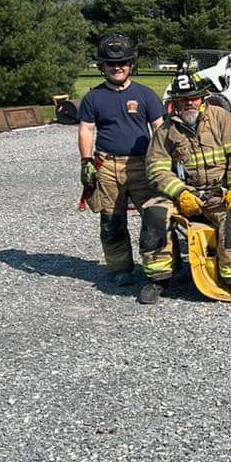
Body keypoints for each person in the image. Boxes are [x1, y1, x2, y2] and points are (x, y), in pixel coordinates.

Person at [141, 73, 231, 303]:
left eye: (194, 97)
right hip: (184, 194)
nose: (190, 103)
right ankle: (159, 278)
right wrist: (180, 193)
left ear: (203, 98)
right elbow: (156, 169)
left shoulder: (222, 119)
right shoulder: (165, 130)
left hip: (219, 193)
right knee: (155, 213)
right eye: (184, 99)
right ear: (176, 102)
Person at [77, 33, 164, 286]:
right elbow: (86, 130)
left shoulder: (146, 95)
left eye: (123, 62)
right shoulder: (93, 98)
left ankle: (158, 269)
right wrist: (86, 162)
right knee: (111, 222)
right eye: (111, 63)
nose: (118, 67)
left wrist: (165, 162)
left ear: (131, 64)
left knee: (154, 218)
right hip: (106, 166)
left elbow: (159, 128)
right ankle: (120, 269)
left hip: (142, 165)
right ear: (102, 66)